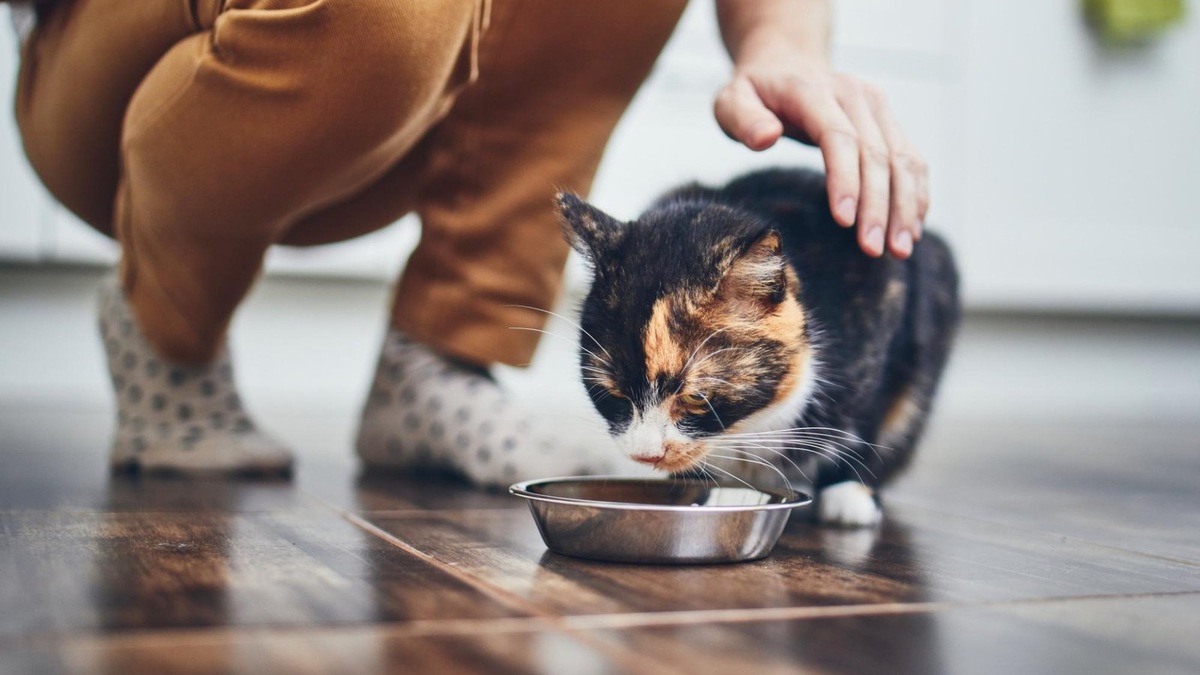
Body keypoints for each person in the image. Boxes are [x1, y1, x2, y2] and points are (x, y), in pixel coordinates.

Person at [8, 0, 929, 480]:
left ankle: (440, 359)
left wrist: (781, 47)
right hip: (123, 77)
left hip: (394, 114)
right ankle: (166, 325)